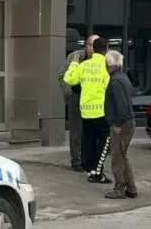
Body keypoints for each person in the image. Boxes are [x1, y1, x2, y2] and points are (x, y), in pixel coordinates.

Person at [63, 37, 112, 184]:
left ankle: (91, 171)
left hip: (85, 111)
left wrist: (73, 65)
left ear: (94, 49)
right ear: (105, 50)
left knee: (89, 141)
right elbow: (110, 88)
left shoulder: (84, 65)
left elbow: (69, 79)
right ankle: (97, 172)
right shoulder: (106, 66)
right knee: (106, 141)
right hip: (101, 111)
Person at [58, 34, 99, 172]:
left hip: (92, 99)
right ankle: (76, 161)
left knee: (90, 132)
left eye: (95, 45)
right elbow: (62, 77)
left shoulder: (99, 59)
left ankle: (88, 160)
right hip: (76, 96)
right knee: (76, 130)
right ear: (86, 45)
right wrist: (70, 95)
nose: (92, 48)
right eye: (90, 45)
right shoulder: (75, 57)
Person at [103, 50, 138, 199]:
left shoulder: (115, 81)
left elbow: (121, 106)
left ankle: (119, 188)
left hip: (121, 124)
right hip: (128, 122)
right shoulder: (123, 77)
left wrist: (117, 123)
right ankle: (131, 188)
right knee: (123, 156)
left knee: (117, 157)